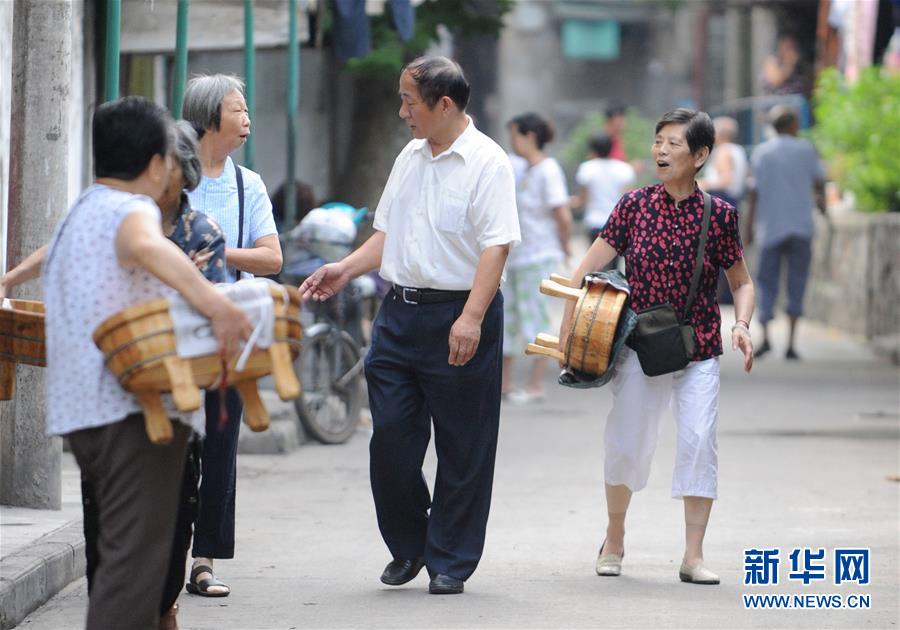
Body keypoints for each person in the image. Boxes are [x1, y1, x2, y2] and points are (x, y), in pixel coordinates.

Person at [299, 56, 520, 595]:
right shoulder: (410, 156)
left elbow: (496, 247)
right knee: (390, 443)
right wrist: (345, 268)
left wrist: (470, 318)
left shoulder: (488, 163)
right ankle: (411, 546)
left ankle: (451, 560)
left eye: (409, 102)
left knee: (464, 447)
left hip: (461, 314)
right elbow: (388, 233)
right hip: (400, 316)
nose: (403, 113)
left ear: (444, 105)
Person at [42, 96, 249, 629]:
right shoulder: (131, 210)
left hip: (86, 414)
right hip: (130, 414)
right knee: (132, 579)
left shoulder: (82, 209)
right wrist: (217, 305)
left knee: (119, 564)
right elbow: (150, 247)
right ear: (156, 163)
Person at [560, 108, 755, 585]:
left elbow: (742, 283)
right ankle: (615, 537)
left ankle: (693, 556)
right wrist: (568, 335)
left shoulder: (720, 215)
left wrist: (743, 323)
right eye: (658, 141)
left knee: (697, 443)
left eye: (674, 143)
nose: (661, 151)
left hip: (700, 344)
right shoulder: (633, 206)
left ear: (701, 155)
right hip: (639, 346)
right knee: (628, 442)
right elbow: (582, 272)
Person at [181, 73, 282, 597]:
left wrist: (213, 251)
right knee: (175, 441)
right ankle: (166, 550)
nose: (247, 119)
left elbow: (272, 258)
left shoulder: (249, 184)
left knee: (221, 443)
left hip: (228, 333)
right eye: (237, 109)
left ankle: (204, 559)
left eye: (247, 110)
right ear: (207, 116)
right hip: (172, 327)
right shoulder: (172, 180)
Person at [501, 112, 571, 403]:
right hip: (517, 255)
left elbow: (562, 214)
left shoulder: (548, 170)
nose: (512, 142)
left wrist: (565, 246)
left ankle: (535, 385)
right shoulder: (524, 169)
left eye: (515, 135)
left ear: (529, 137)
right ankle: (504, 385)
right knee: (509, 318)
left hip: (539, 255)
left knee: (536, 318)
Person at [746, 105, 825, 360]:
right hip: (801, 225)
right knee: (797, 281)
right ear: (793, 125)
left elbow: (754, 192)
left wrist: (748, 226)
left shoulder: (761, 153)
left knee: (766, 281)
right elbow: (819, 182)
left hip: (770, 226)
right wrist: (822, 206)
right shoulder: (806, 150)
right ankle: (791, 341)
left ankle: (766, 337)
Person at [571, 133, 636, 243]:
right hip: (616, 223)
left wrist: (572, 202)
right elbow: (629, 198)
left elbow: (583, 199)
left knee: (596, 259)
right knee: (613, 259)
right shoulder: (624, 169)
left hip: (594, 222)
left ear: (593, 149)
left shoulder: (587, 168)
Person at [699, 116, 748, 210]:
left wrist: (702, 183)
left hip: (720, 202)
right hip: (733, 202)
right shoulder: (738, 150)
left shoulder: (723, 152)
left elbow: (726, 181)